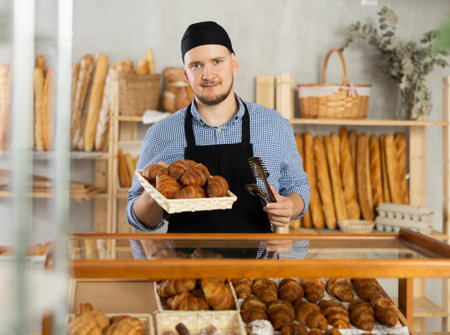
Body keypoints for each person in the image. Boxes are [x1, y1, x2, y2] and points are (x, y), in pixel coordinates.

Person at [127, 21, 310, 255]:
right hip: (187, 277)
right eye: (196, 65)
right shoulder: (161, 133)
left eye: (217, 62)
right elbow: (138, 219)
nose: (207, 75)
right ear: (185, 73)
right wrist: (154, 193)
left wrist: (291, 206)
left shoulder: (274, 125)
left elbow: (297, 186)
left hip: (254, 278)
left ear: (234, 63)